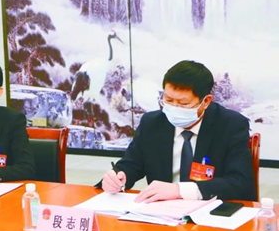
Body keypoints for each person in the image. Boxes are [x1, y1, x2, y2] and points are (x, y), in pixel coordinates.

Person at [101, 60, 255, 202]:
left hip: (210, 212)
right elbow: (131, 164)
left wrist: (180, 190)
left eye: (183, 103)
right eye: (168, 100)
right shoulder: (152, 123)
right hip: (160, 212)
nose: (174, 108)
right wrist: (119, 177)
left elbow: (240, 183)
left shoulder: (230, 125)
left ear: (206, 101)